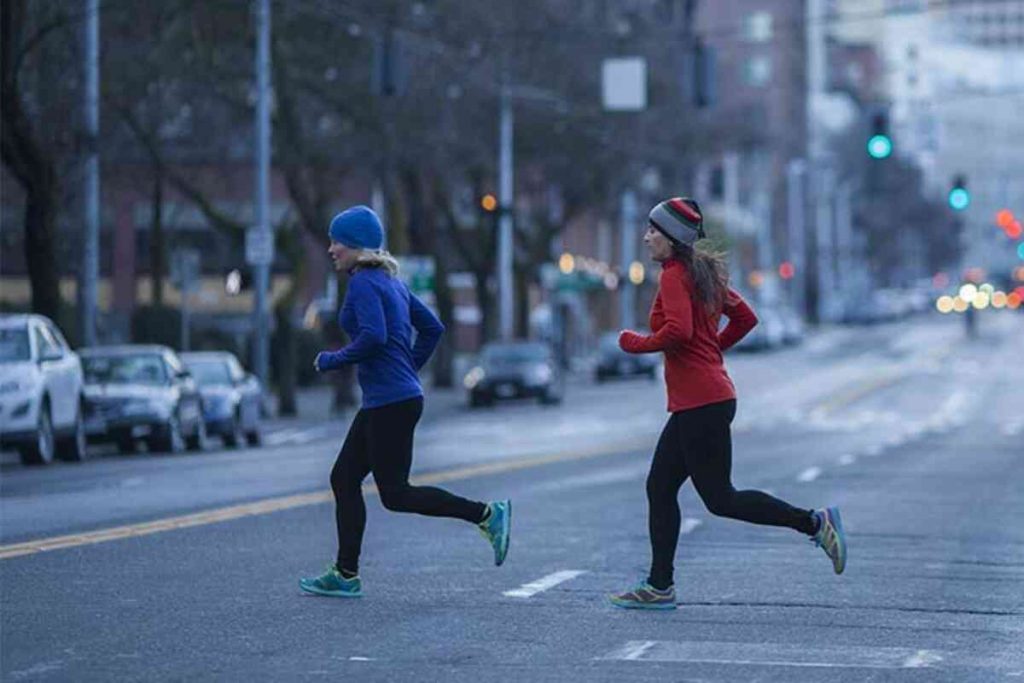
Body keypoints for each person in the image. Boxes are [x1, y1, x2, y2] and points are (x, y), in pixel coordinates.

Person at [609, 197, 847, 610]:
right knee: (660, 487)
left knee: (721, 499)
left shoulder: (674, 275)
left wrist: (636, 344)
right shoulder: (702, 273)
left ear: (670, 238)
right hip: (703, 399)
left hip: (701, 402)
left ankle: (813, 521)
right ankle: (659, 584)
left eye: (652, 231)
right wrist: (712, 352)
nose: (646, 237)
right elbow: (746, 319)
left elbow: (679, 331)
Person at [299, 205, 511, 598]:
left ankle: (485, 514)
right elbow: (433, 328)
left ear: (357, 247)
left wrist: (333, 360)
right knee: (344, 479)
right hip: (393, 398)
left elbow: (374, 338)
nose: (331, 249)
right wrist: (407, 369)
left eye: (336, 242)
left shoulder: (364, 282)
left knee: (395, 494)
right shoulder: (391, 281)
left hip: (391, 402)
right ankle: (345, 574)